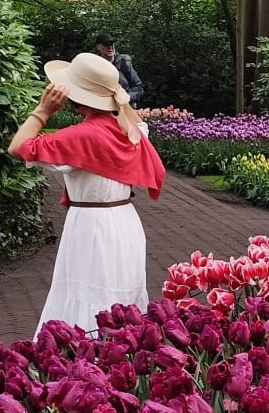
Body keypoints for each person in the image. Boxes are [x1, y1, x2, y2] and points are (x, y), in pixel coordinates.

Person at [7, 52, 166, 337]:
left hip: (90, 227)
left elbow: (18, 147)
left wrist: (43, 110)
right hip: (126, 223)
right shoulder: (131, 132)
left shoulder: (79, 137)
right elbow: (134, 118)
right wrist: (117, 95)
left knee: (86, 295)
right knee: (122, 297)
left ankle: (81, 367)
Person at [94, 34, 144, 107]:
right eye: (106, 44)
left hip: (126, 106)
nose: (110, 47)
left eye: (112, 43)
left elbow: (138, 87)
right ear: (98, 47)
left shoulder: (124, 63)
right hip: (104, 107)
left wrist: (125, 97)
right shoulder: (94, 65)